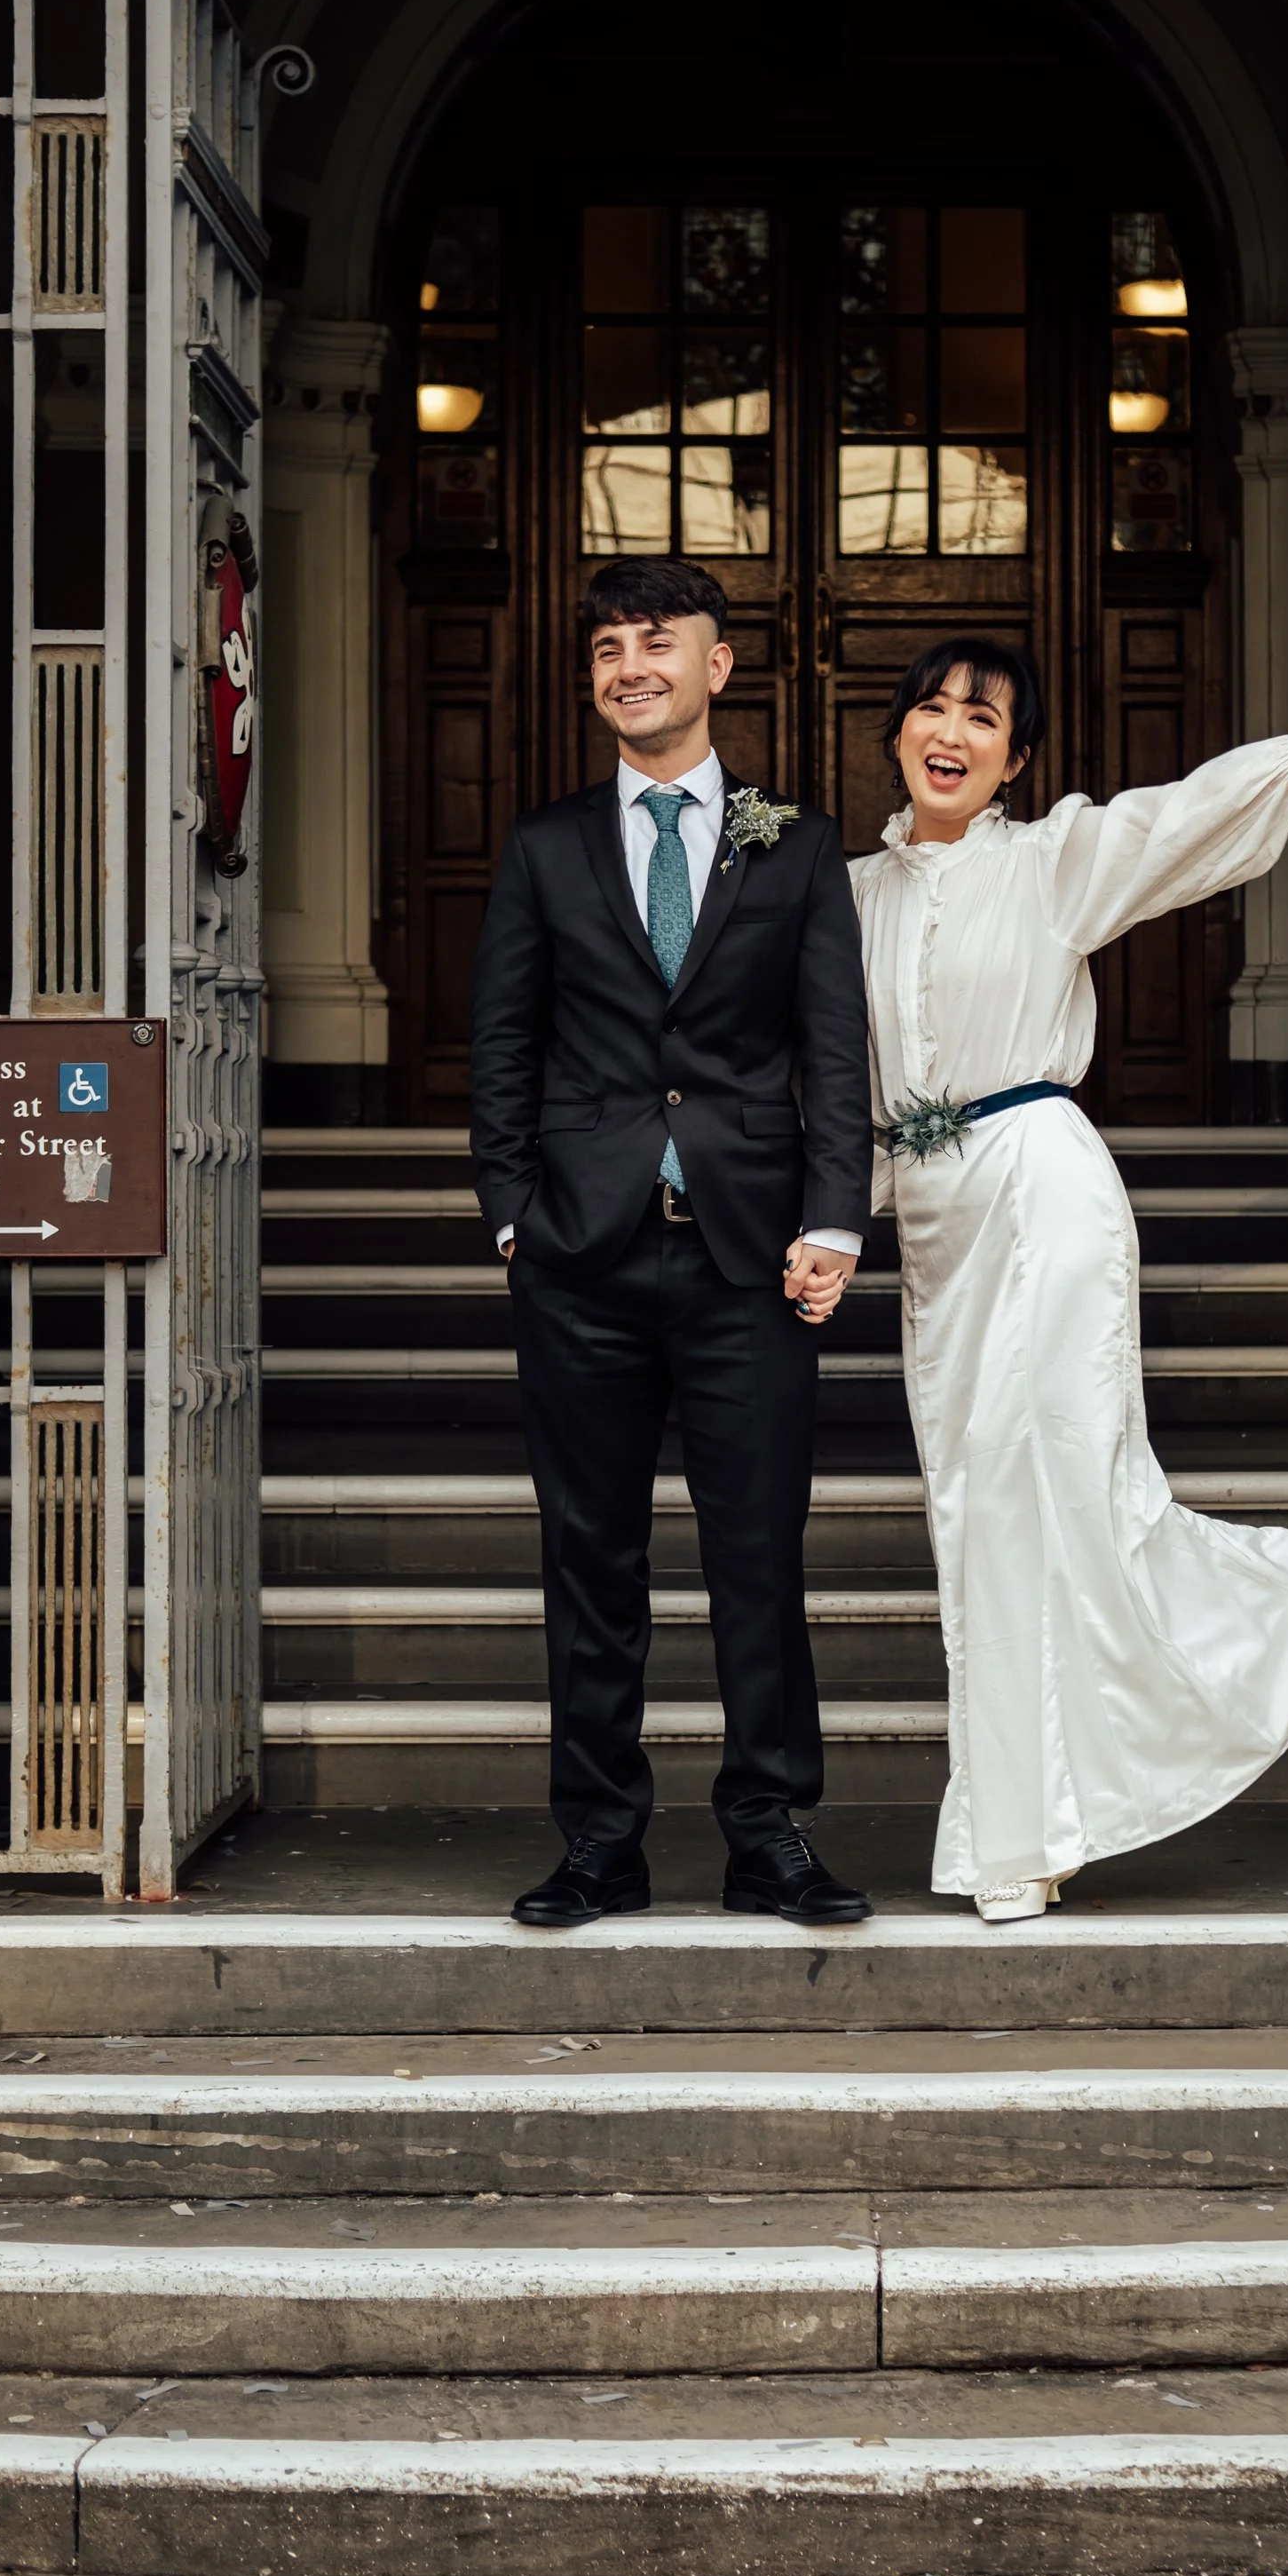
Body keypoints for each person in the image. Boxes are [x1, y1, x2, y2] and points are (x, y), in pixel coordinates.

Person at [820, 617, 1288, 1922]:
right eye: (933, 708)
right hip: (937, 1232)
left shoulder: (1054, 858)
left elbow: (1197, 811)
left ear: (1015, 762)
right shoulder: (843, 896)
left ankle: (1079, 1783)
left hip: (1048, 1194)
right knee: (977, 1517)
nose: (952, 733)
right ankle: (1031, 1814)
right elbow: (844, 1090)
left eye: (985, 719)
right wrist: (837, 1217)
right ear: (896, 730)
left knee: (1071, 1491)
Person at [470, 559, 876, 1930]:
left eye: (658, 640)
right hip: (580, 1255)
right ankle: (601, 1841)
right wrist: (514, 1213)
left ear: (718, 666)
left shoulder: (797, 846)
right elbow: (502, 1048)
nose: (628, 663)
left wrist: (833, 1216)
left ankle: (769, 1832)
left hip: (749, 1257)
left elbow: (833, 1046)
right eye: (606, 647)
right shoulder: (544, 846)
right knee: (591, 1558)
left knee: (758, 1553)